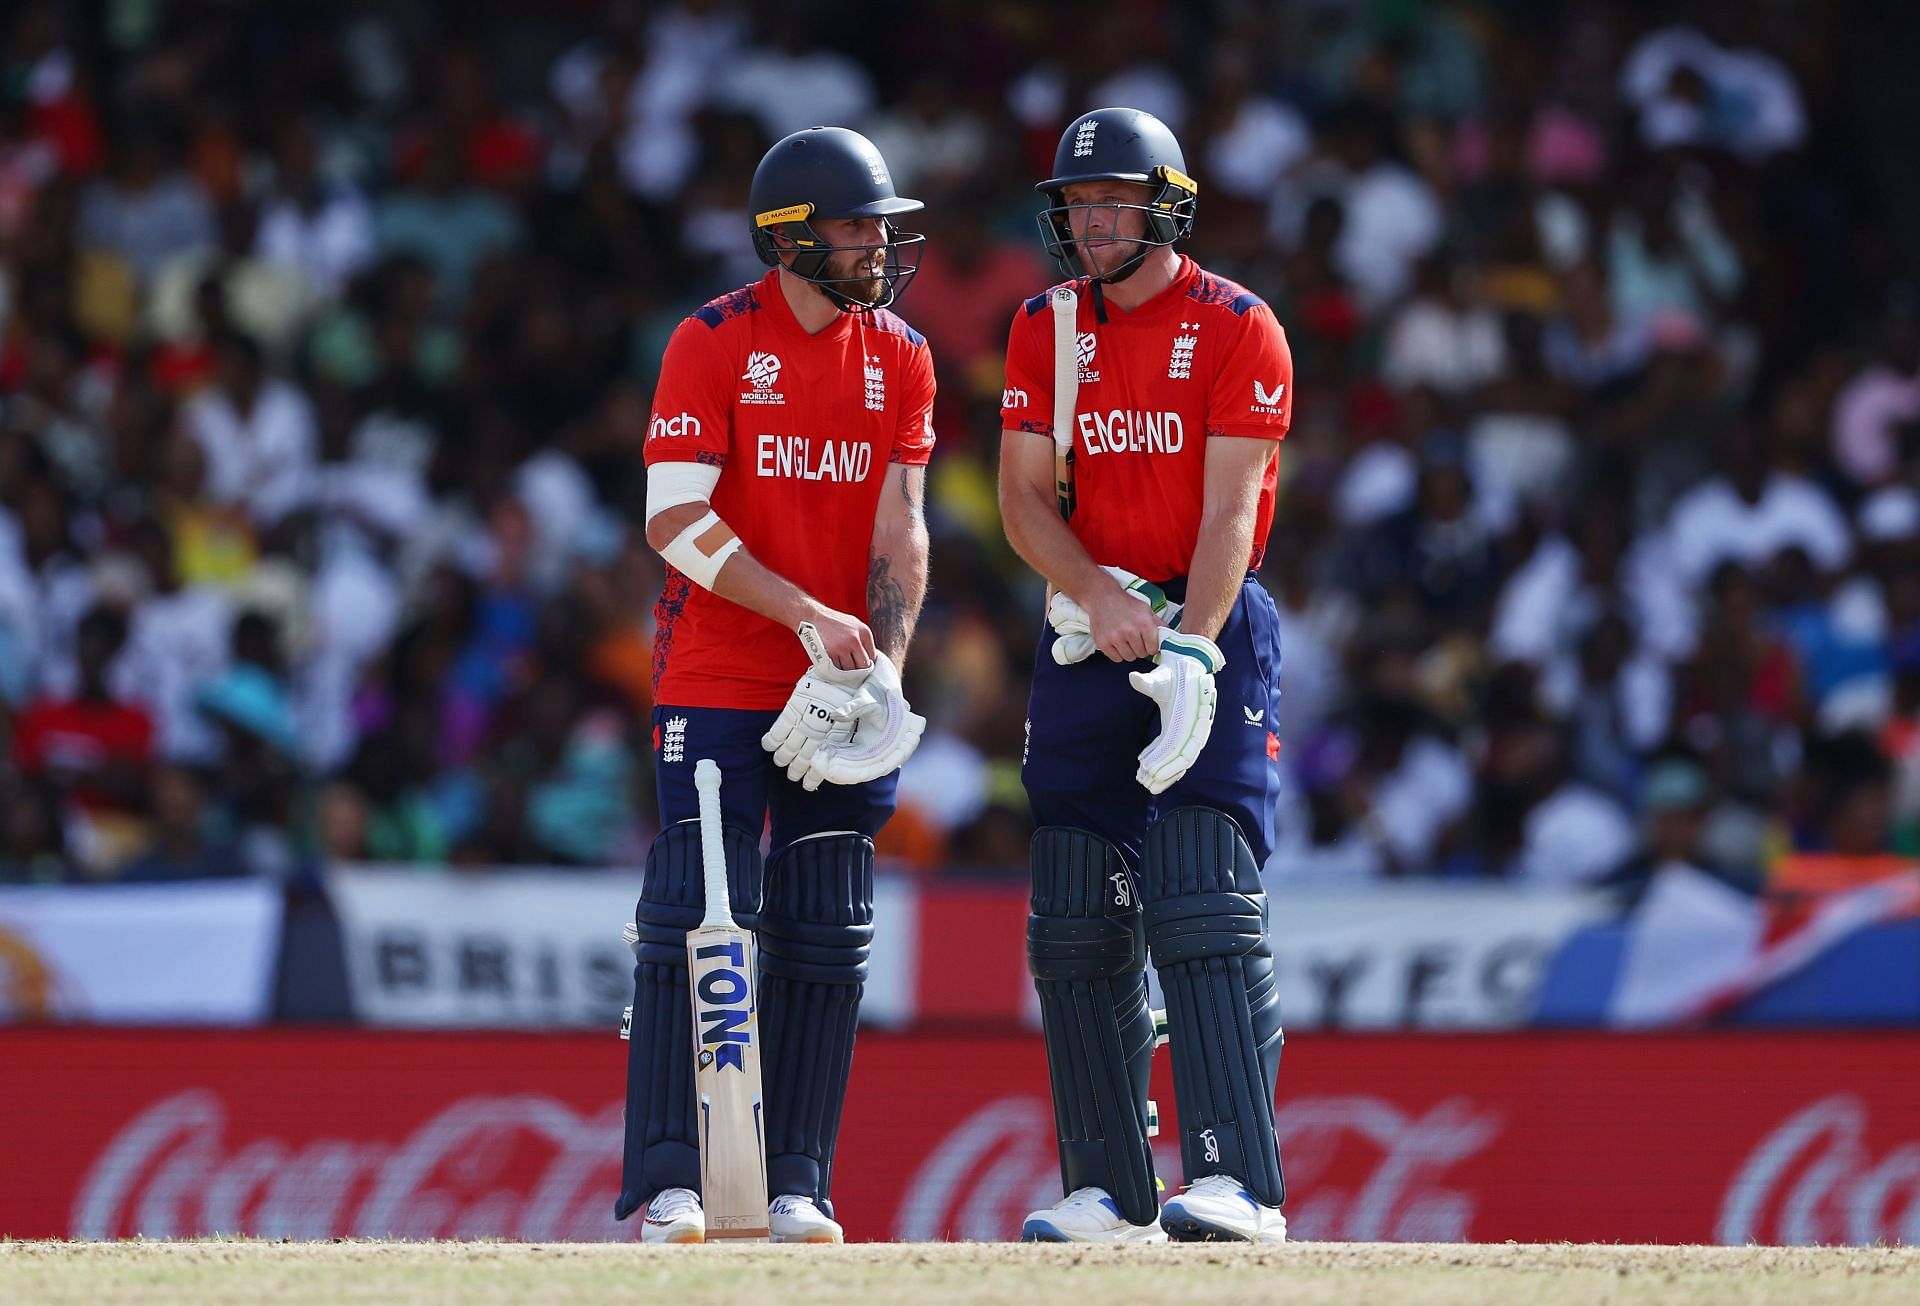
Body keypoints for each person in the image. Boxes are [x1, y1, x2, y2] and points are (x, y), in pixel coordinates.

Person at [616, 125, 934, 1245]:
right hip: (717, 674)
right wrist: (804, 612)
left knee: (827, 929)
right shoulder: (710, 340)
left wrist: (884, 671)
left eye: (880, 229)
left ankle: (798, 1178)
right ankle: (672, 1180)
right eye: (856, 229)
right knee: (698, 920)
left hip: (838, 685)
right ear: (791, 237)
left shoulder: (901, 353)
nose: (878, 248)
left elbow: (901, 524)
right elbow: (673, 518)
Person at [998, 107, 1293, 1243]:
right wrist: (1103, 601)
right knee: (1074, 904)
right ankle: (1108, 1188)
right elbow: (1025, 500)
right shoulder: (1044, 326)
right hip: (1086, 628)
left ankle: (1239, 1182)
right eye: (1077, 204)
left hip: (1206, 618)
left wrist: (1191, 646)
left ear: (1168, 204)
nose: (1092, 222)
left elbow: (1231, 514)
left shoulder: (1237, 325)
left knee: (1201, 888)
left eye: (1115, 200)